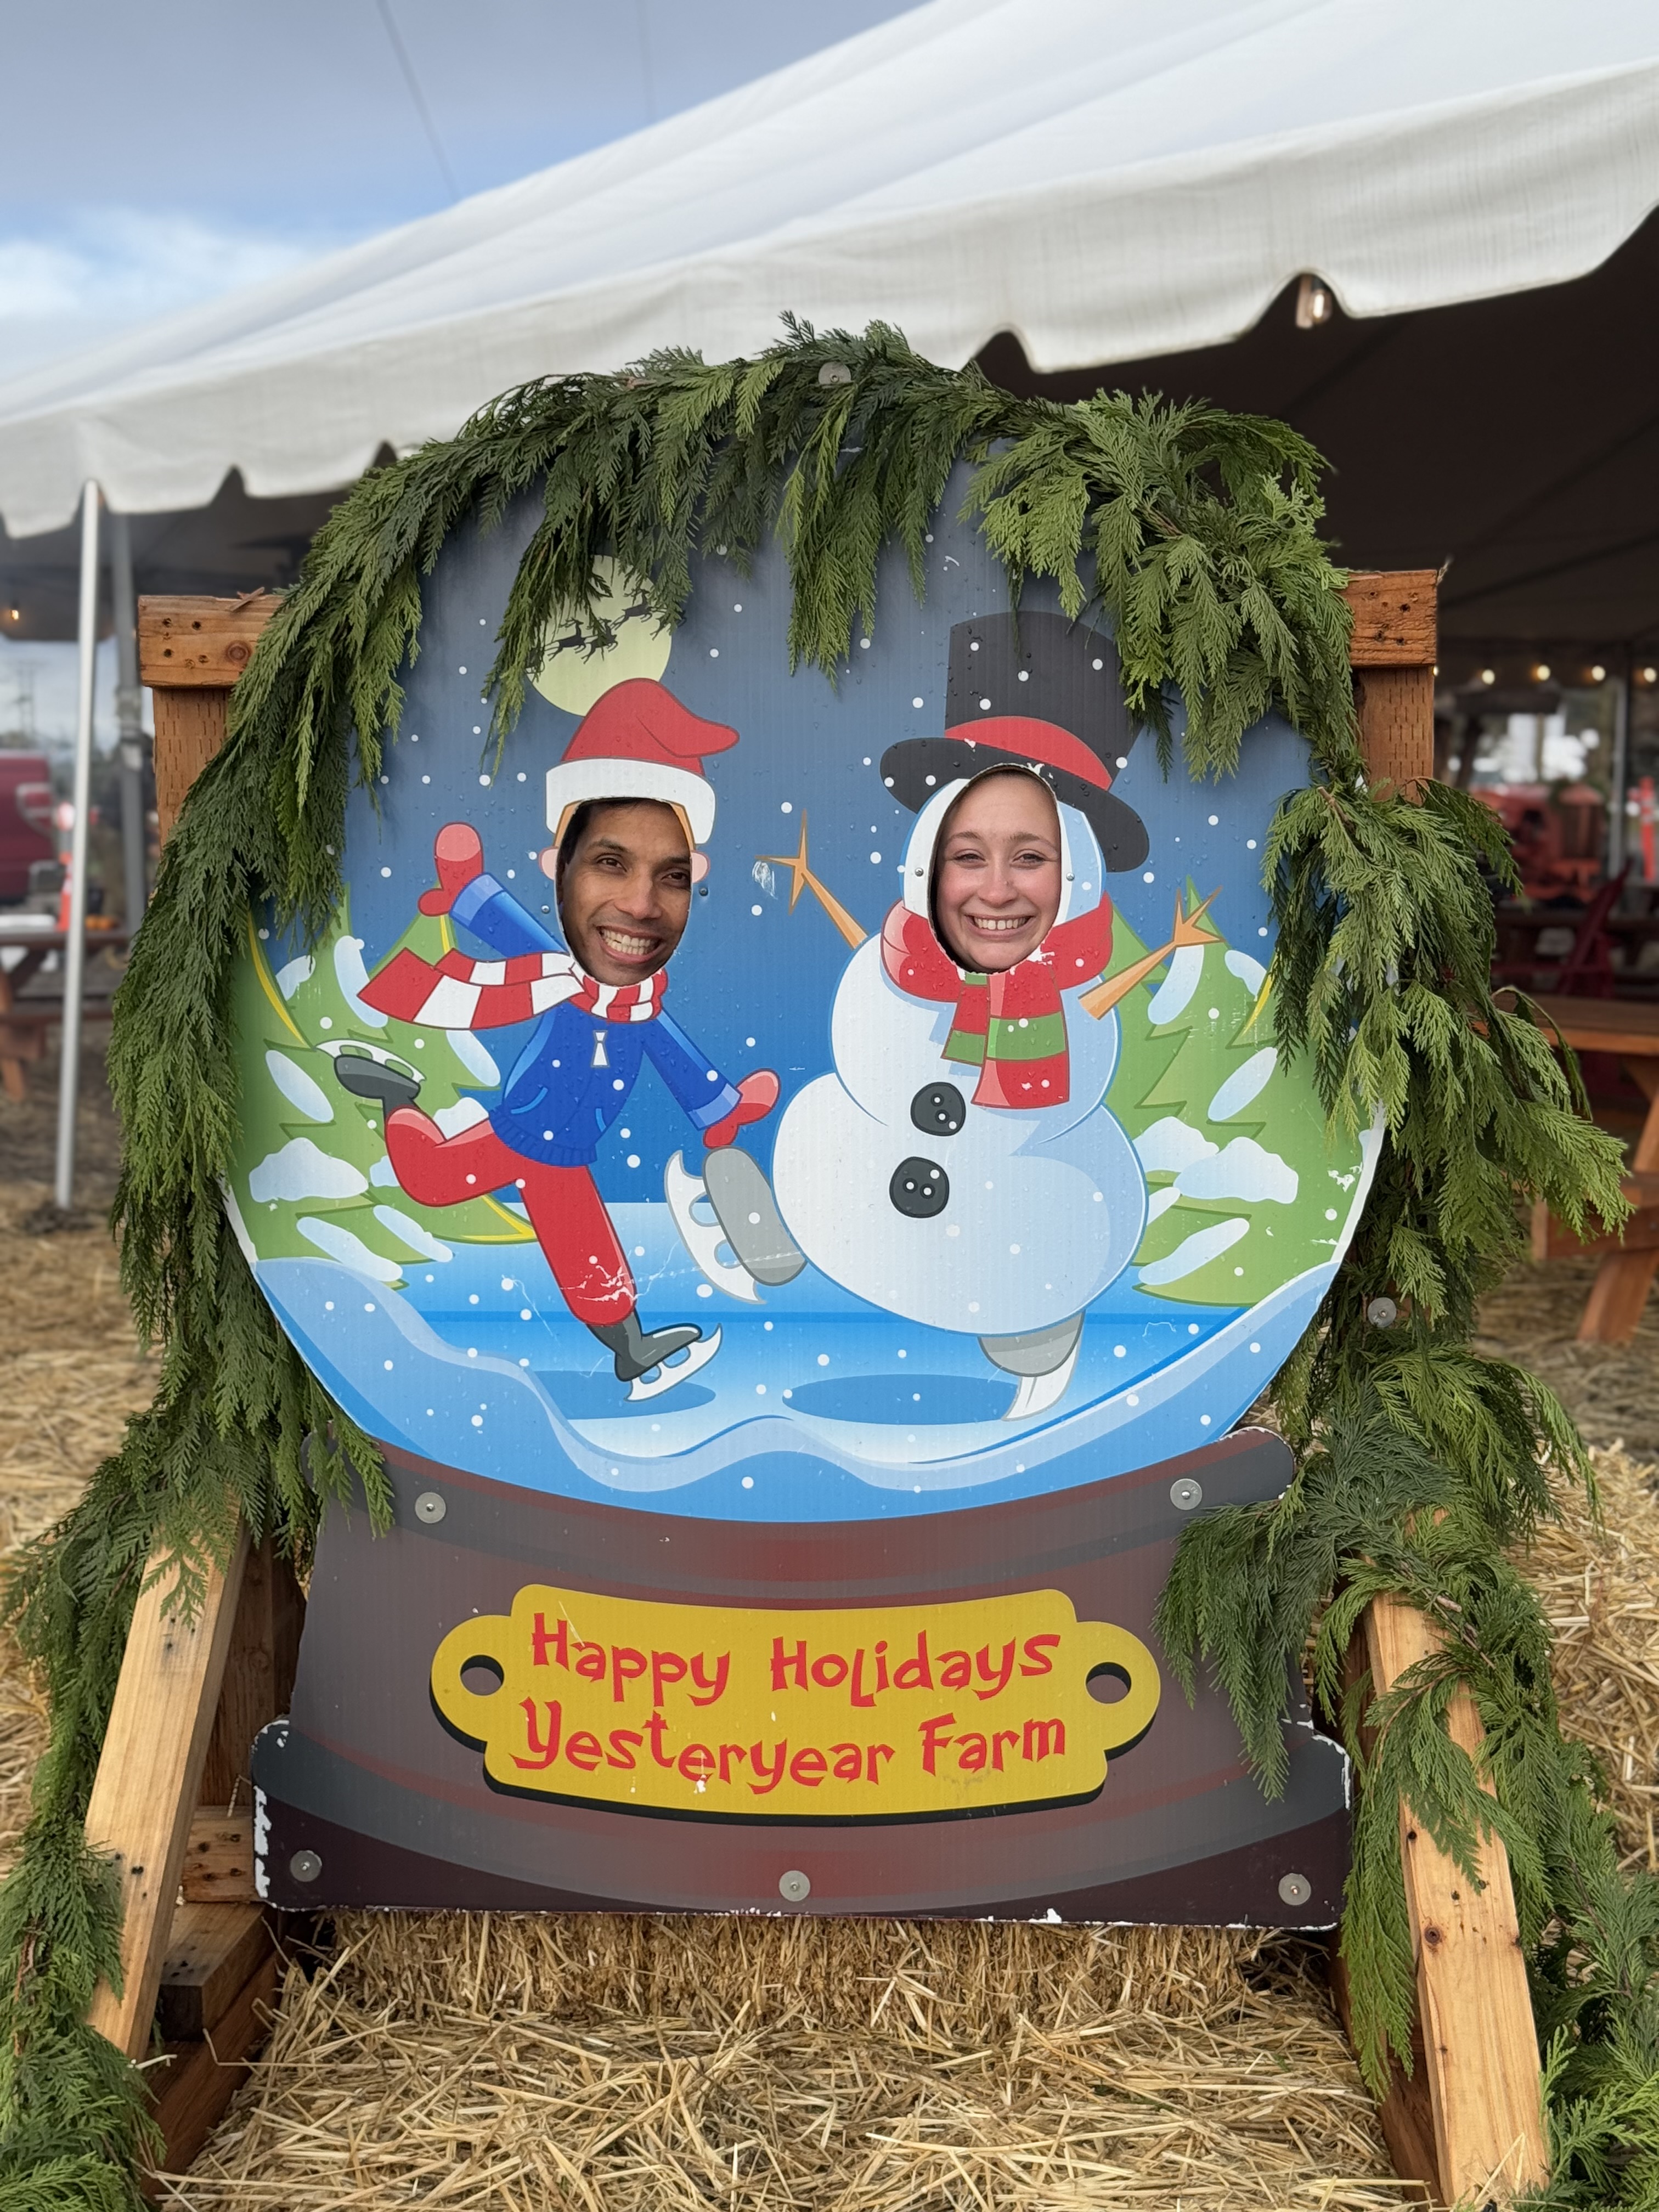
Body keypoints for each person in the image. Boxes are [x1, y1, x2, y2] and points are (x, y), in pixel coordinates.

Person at [338, 680, 777, 1393]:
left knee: (588, 1255)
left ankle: (630, 1348)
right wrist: (465, 887)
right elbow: (507, 928)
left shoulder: (645, 1007)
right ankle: (397, 1099)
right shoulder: (555, 973)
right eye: (610, 863)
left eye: (672, 876)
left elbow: (680, 1063)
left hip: (566, 1156)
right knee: (431, 1180)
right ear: (559, 872)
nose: (640, 904)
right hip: (517, 1133)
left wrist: (722, 1111)